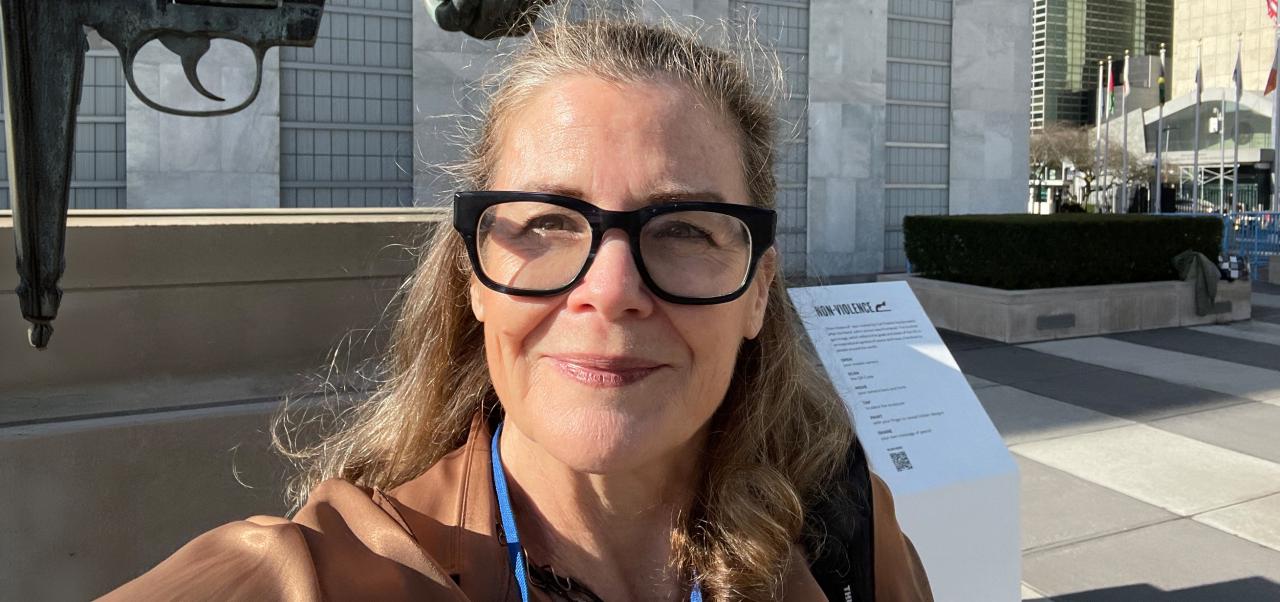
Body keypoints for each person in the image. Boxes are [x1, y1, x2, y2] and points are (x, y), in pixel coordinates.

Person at [104, 14, 932, 602]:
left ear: (757, 289)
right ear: (473, 273)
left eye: (683, 228)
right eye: (545, 223)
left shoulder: (841, 531)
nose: (609, 291)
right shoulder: (311, 577)